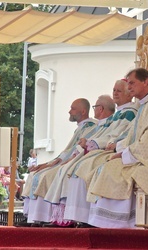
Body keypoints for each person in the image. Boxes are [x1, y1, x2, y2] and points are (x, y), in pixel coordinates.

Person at [82, 68, 148, 228]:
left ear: (145, 81)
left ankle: (116, 224)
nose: (129, 87)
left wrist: (123, 154)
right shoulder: (146, 105)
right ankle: (105, 222)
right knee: (108, 166)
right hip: (146, 156)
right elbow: (133, 135)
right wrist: (119, 148)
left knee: (114, 169)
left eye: (132, 83)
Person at [44, 80, 137, 227]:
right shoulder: (118, 114)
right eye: (114, 90)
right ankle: (74, 217)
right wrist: (88, 141)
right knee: (75, 169)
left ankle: (84, 217)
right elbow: (105, 132)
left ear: (129, 93)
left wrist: (96, 143)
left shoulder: (131, 112)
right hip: (103, 147)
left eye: (119, 90)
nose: (115, 93)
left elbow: (119, 134)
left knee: (83, 168)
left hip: (112, 149)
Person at [27, 95, 117, 225]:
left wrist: (59, 161)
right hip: (76, 158)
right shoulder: (90, 126)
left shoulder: (91, 126)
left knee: (51, 175)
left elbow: (84, 147)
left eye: (73, 109)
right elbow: (70, 149)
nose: (69, 111)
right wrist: (49, 163)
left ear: (83, 111)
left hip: (91, 158)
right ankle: (36, 218)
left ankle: (56, 219)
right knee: (38, 175)